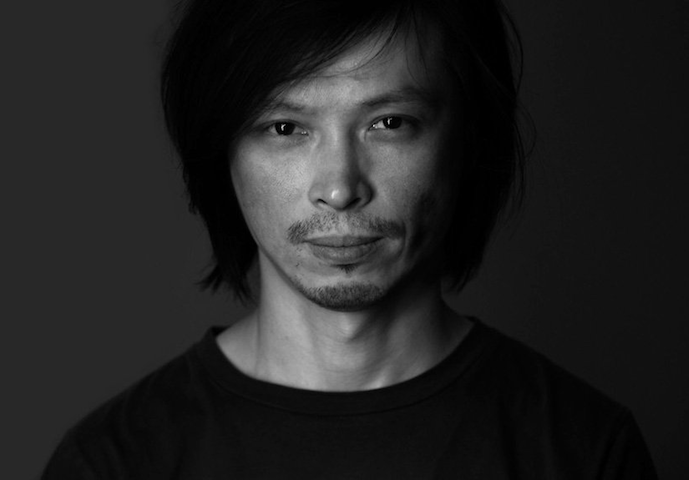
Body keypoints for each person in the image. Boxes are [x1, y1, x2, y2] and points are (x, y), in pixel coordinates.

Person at [42, 0, 657, 477]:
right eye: (286, 128)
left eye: (389, 123)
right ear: (220, 154)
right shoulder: (114, 463)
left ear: (465, 143)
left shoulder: (583, 450)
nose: (339, 188)